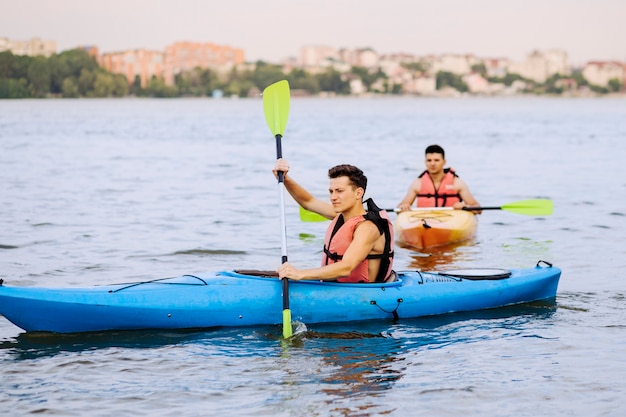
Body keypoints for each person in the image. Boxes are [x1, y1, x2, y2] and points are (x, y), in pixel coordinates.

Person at [273, 159, 394, 283]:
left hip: (362, 294)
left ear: (358, 193)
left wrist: (299, 274)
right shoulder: (342, 215)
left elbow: (346, 267)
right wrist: (285, 178)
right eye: (331, 191)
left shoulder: (368, 228)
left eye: (339, 191)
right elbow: (308, 202)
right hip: (336, 286)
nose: (333, 197)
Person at [397, 144, 480, 212]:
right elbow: (399, 208)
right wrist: (403, 206)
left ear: (444, 162)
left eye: (436, 160)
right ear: (425, 162)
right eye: (429, 160)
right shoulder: (417, 183)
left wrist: (465, 206)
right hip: (424, 221)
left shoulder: (457, 183)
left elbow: (477, 208)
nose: (432, 164)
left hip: (451, 221)